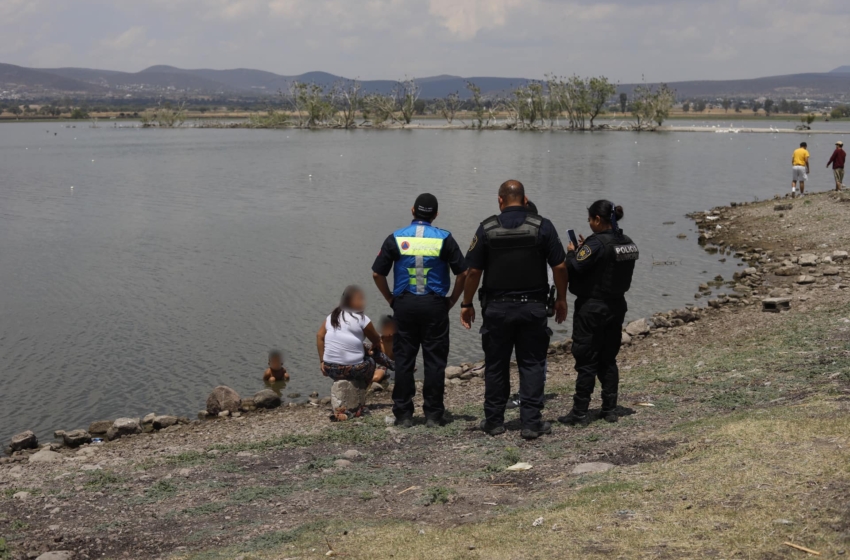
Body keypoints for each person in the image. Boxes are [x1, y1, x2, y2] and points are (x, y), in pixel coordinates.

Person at [460, 180, 568, 440]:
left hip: (497, 309)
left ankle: (494, 421)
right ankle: (531, 423)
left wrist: (466, 303)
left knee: (496, 365)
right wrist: (561, 299)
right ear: (524, 198)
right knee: (531, 364)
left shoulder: (486, 228)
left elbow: (473, 271)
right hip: (532, 308)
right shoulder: (543, 226)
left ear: (500, 200)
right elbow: (561, 267)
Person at [372, 193, 469, 428]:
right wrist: (453, 301)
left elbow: (377, 273)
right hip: (435, 304)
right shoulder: (445, 238)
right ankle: (433, 415)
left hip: (404, 304)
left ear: (412, 210)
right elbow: (463, 272)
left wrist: (391, 300)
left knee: (404, 359)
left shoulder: (395, 238)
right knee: (435, 360)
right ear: (435, 214)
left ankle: (404, 414)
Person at [558, 201, 638, 427]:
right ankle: (610, 409)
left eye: (590, 220)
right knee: (608, 359)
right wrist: (585, 250)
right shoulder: (627, 242)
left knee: (586, 360)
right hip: (616, 306)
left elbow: (573, 267)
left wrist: (573, 253)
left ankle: (579, 413)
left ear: (597, 220)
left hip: (592, 308)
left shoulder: (596, 243)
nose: (589, 223)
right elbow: (605, 263)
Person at [505, 200, 556, 410]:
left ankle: (529, 396)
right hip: (539, 304)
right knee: (535, 356)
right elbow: (557, 269)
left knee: (530, 357)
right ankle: (533, 395)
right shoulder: (543, 236)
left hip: (526, 304)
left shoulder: (523, 240)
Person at [316, 285, 387, 420]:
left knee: (364, 348)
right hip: (354, 369)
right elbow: (376, 340)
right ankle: (360, 395)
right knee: (371, 361)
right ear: (349, 302)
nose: (363, 302)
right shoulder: (362, 319)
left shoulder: (332, 317)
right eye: (359, 299)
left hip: (331, 368)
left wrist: (322, 361)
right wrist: (372, 349)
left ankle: (345, 405)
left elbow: (319, 336)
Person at [373, 315, 397, 383]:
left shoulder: (398, 340)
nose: (390, 333)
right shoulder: (378, 341)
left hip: (395, 365)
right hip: (382, 366)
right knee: (376, 378)